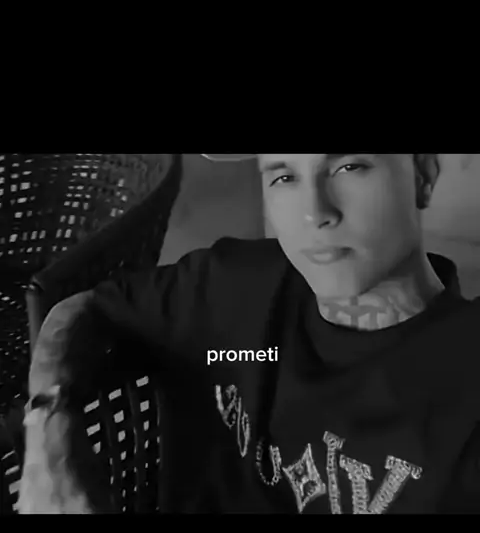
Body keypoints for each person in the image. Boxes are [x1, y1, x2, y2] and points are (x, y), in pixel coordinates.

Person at [18, 154, 480, 514]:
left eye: (349, 166)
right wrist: (47, 433)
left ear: (423, 173)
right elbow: (84, 308)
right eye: (284, 176)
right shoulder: (234, 284)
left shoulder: (464, 375)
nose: (314, 213)